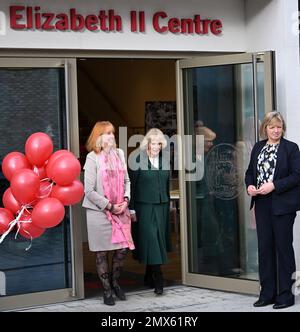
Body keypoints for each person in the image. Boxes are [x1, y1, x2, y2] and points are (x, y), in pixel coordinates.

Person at [245, 111, 300, 309]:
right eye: (272, 127)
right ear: (265, 128)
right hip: (261, 204)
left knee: (283, 249)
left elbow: (297, 176)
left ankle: (286, 295)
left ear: (282, 128)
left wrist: (274, 185)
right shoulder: (258, 148)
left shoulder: (291, 148)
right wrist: (250, 186)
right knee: (265, 249)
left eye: (279, 127)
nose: (276, 130)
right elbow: (250, 172)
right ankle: (267, 293)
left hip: (282, 205)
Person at [82, 121, 134, 306]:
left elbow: (127, 180)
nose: (111, 136)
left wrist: (126, 201)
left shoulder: (119, 154)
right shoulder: (91, 158)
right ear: (98, 137)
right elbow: (88, 191)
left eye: (112, 133)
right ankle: (106, 290)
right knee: (101, 253)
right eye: (106, 133)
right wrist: (110, 206)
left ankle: (115, 283)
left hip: (121, 208)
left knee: (121, 250)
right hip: (99, 212)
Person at [129, 128, 171, 295]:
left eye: (159, 144)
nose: (156, 147)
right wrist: (131, 208)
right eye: (153, 143)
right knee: (152, 239)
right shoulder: (137, 159)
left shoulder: (164, 159)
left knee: (158, 239)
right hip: (144, 206)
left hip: (162, 206)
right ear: (147, 143)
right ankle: (158, 278)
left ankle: (148, 275)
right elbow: (130, 185)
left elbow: (167, 183)